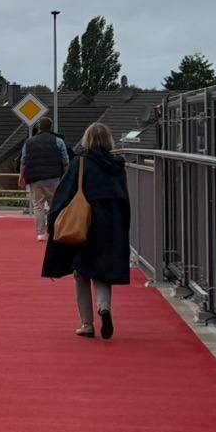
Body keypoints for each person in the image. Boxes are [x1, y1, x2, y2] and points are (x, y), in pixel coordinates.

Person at [42, 123, 131, 339]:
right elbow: (124, 201)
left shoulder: (80, 163)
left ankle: (87, 324)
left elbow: (63, 196)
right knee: (102, 271)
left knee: (81, 272)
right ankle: (104, 308)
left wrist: (52, 223)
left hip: (85, 224)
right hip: (110, 226)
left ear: (87, 139)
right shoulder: (117, 166)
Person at [19, 118, 70, 241]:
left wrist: (21, 176)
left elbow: (23, 161)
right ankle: (54, 231)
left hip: (35, 179)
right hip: (54, 178)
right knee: (55, 205)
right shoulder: (58, 141)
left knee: (38, 206)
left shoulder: (29, 142)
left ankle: (40, 234)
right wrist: (67, 176)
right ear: (51, 127)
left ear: (39, 127)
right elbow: (65, 160)